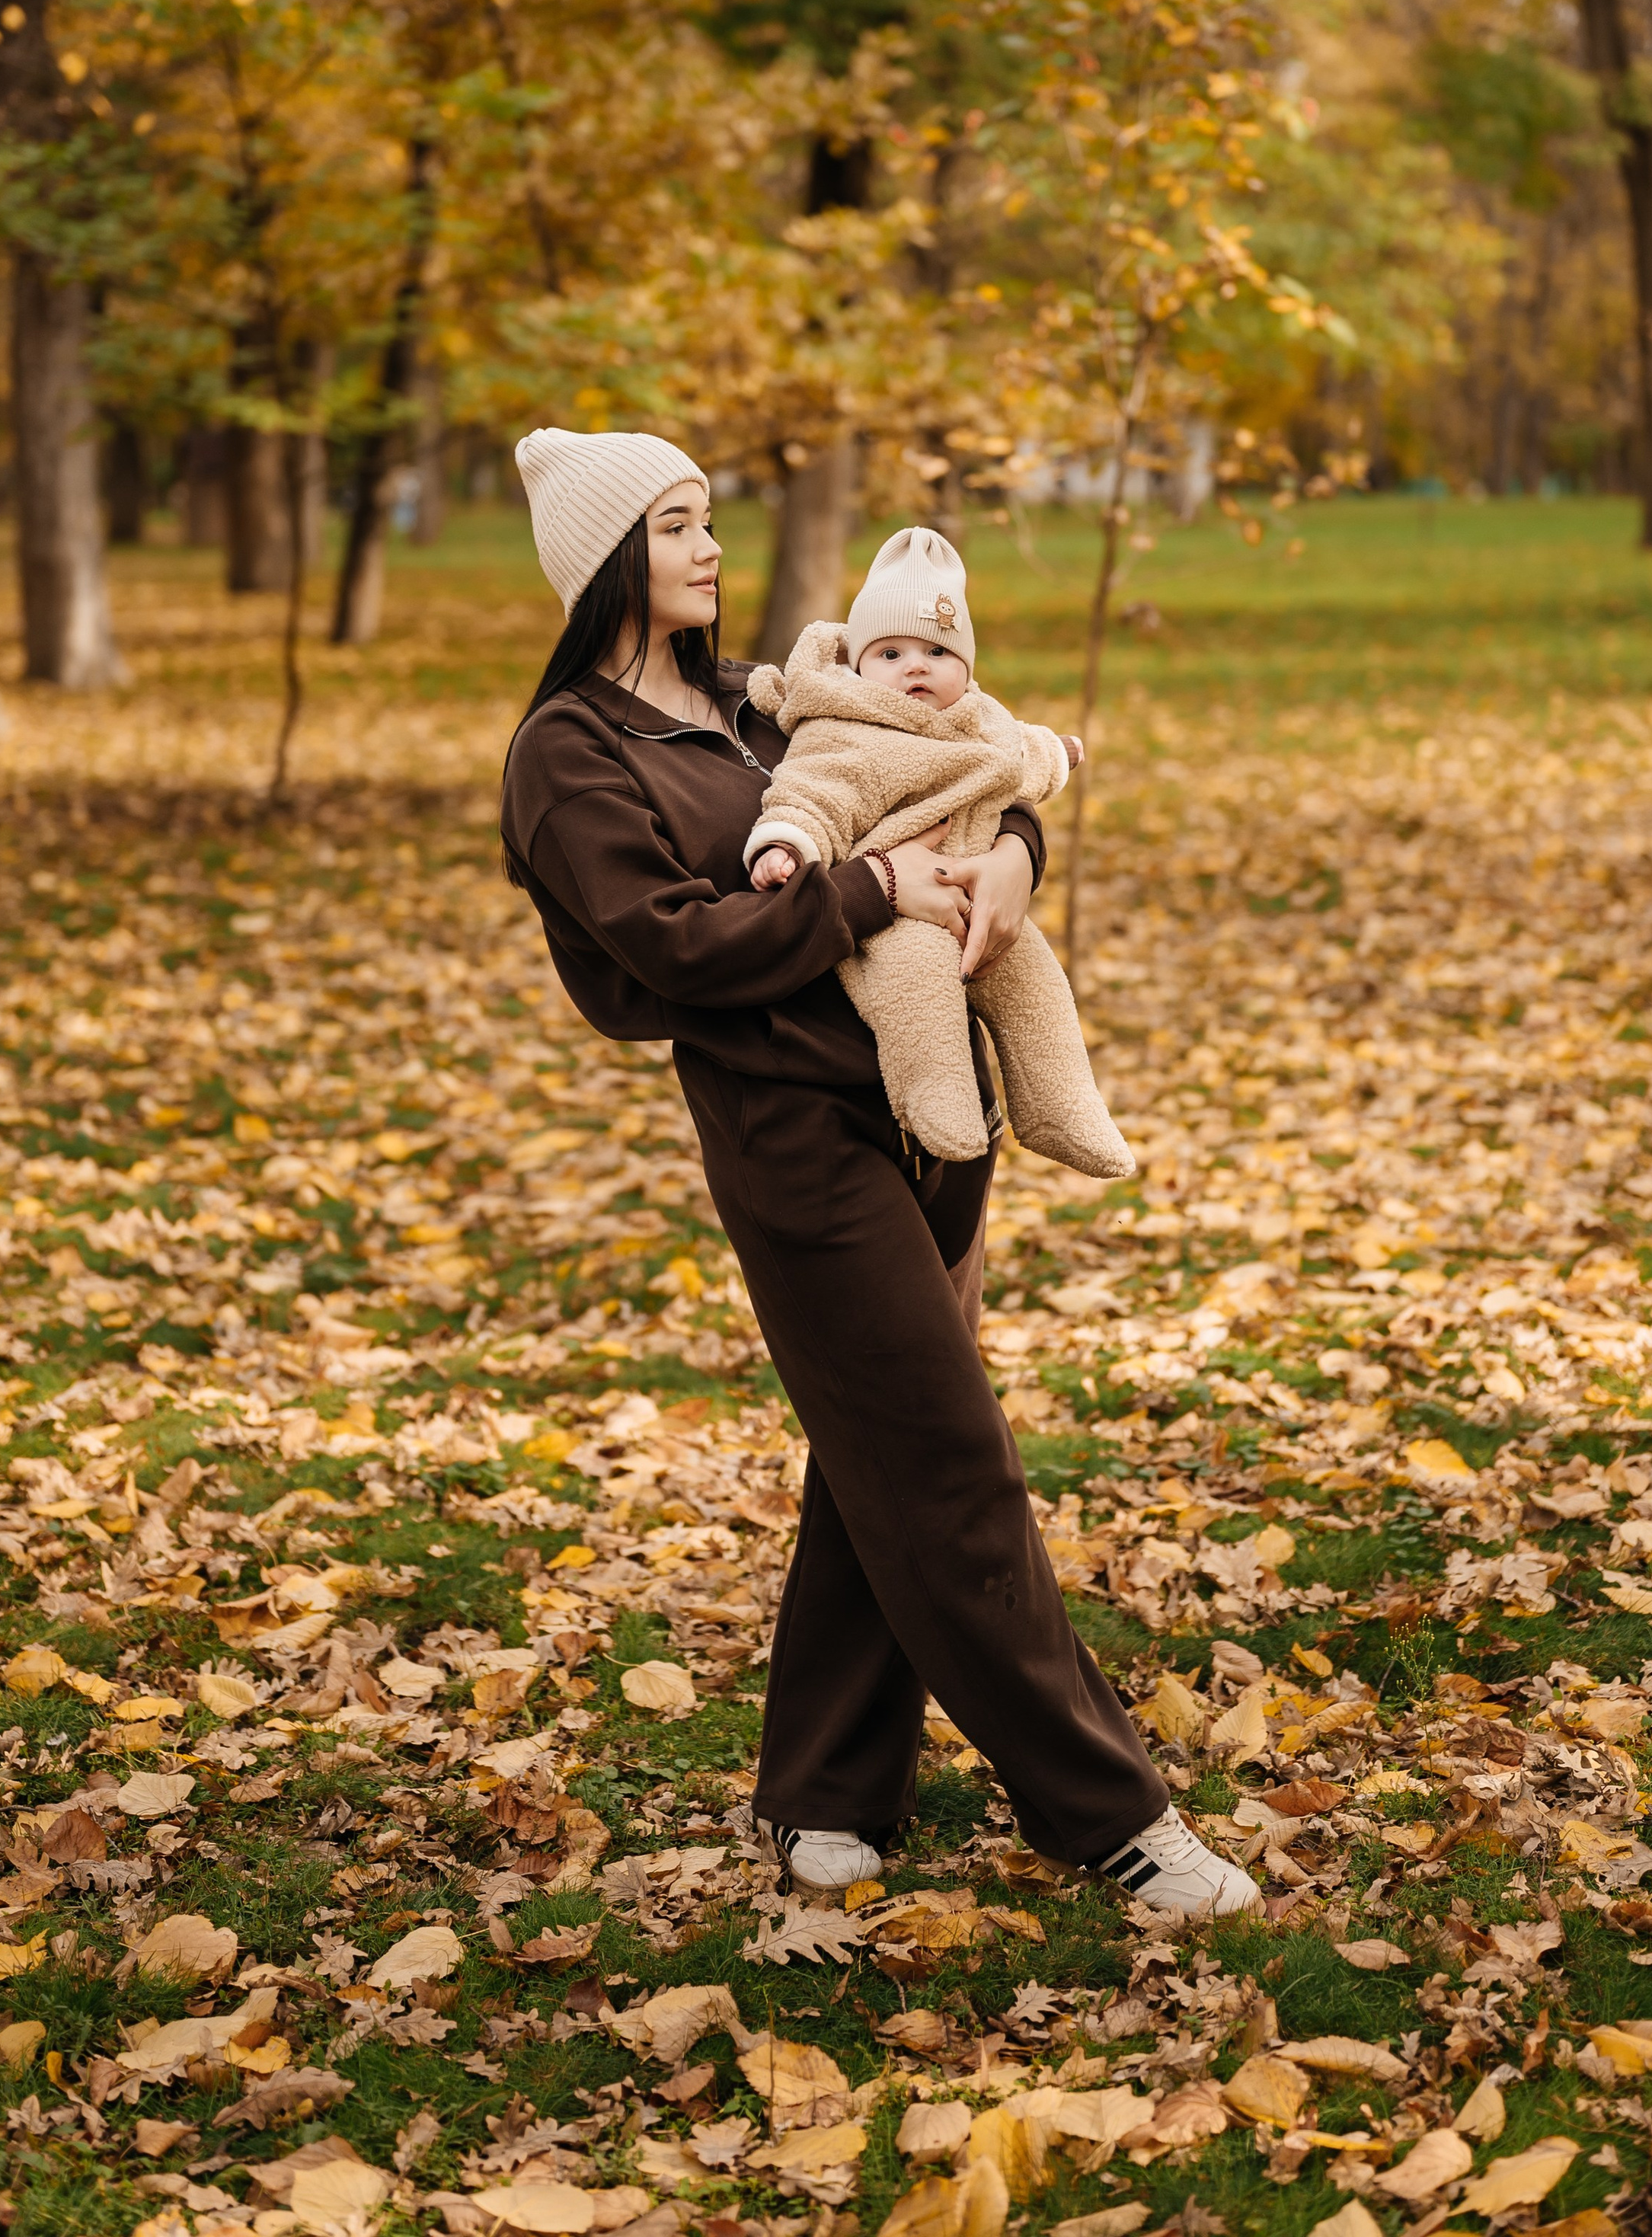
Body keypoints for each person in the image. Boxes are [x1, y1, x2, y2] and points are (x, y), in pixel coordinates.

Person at [499, 426, 1257, 1921]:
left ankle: (823, 1790)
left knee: (876, 1463)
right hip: (791, 1136)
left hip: (937, 1104)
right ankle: (1112, 1816)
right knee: (947, 1462)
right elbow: (670, 944)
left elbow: (957, 755)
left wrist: (1014, 859)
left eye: (705, 518)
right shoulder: (570, 754)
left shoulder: (756, 698)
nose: (709, 549)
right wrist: (866, 889)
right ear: (601, 563)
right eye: (672, 526)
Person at [741, 524, 1135, 1178]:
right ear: (859, 666)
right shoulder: (846, 730)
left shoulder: (980, 718)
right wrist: (786, 844)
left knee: (1037, 985)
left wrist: (1057, 755)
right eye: (890, 653)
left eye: (935, 651)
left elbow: (1021, 755)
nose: (914, 666)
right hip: (894, 917)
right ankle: (937, 1099)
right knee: (916, 993)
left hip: (981, 899)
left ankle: (1062, 1105)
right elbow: (809, 796)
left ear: (966, 666)